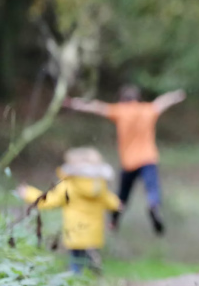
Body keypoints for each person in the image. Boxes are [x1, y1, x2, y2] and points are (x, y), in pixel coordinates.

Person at [63, 85, 186, 234]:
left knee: (122, 195)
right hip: (148, 158)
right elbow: (162, 102)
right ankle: (153, 206)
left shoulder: (120, 111)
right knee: (152, 188)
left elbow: (97, 107)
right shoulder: (147, 109)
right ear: (138, 99)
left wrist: (74, 103)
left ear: (122, 99)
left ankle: (114, 221)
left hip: (129, 163)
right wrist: (176, 95)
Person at [16, 147, 122, 274]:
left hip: (75, 231)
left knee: (76, 259)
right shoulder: (99, 186)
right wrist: (118, 204)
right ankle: (93, 273)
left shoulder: (69, 185)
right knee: (89, 256)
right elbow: (110, 201)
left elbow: (49, 200)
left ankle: (77, 277)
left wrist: (28, 193)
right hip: (94, 232)